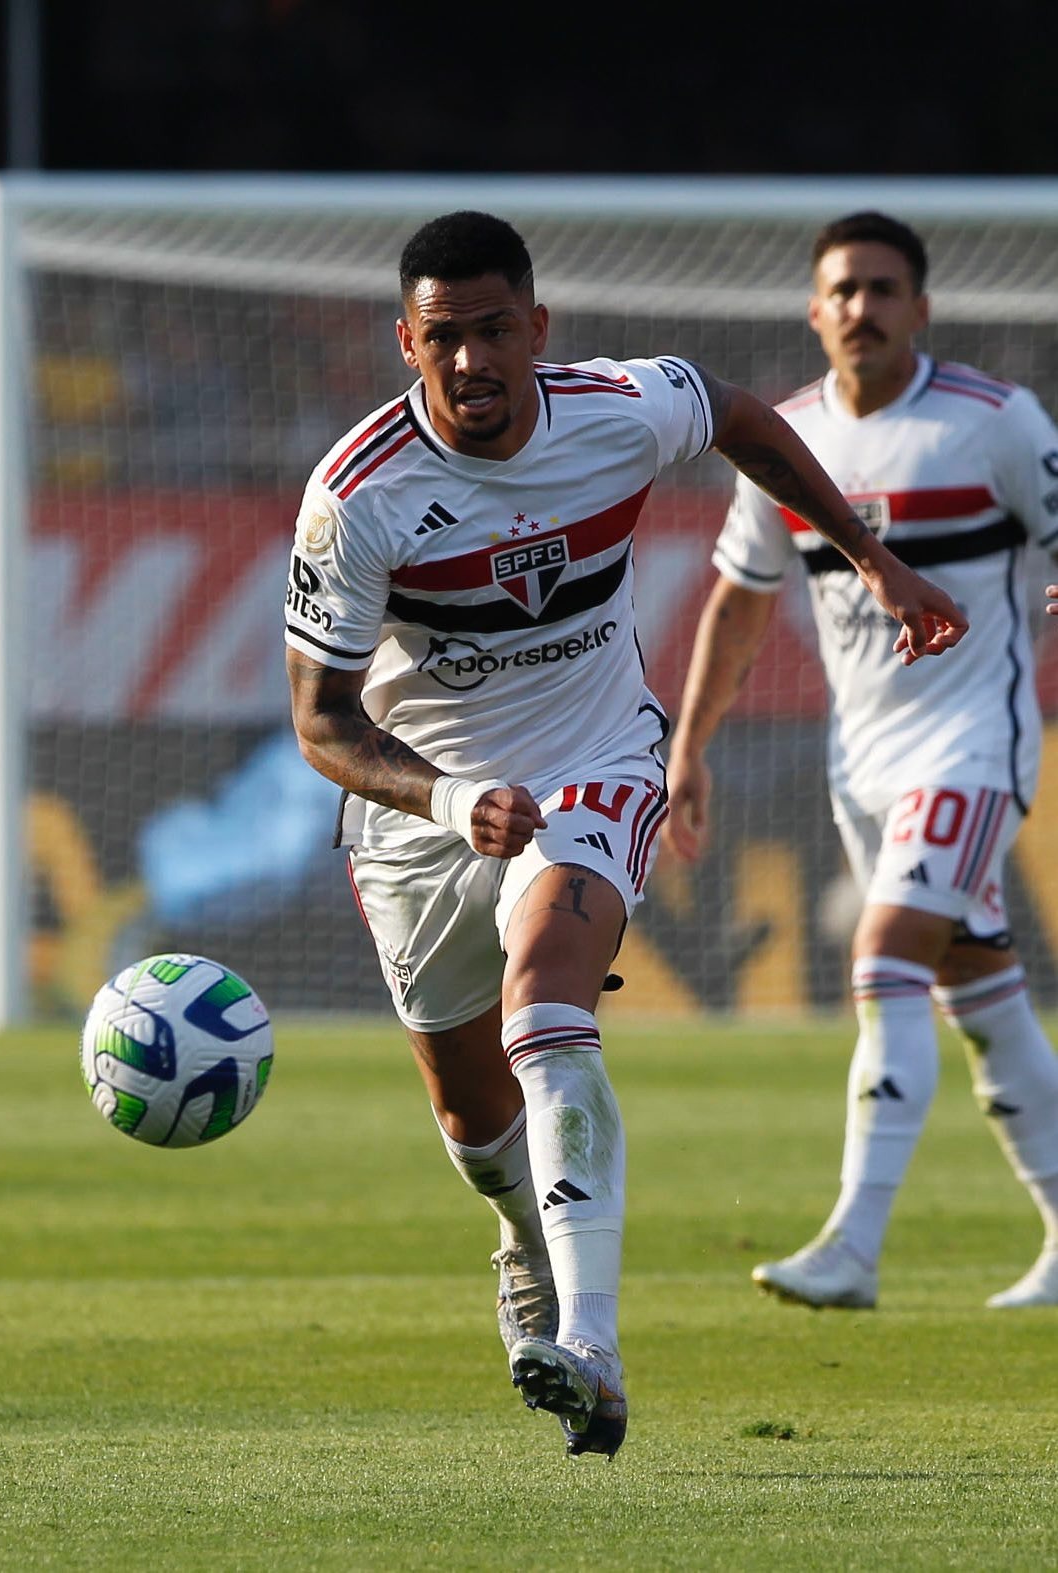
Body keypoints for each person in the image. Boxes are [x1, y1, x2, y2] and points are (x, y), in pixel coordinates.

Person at [284, 210, 966, 1457]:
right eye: (446, 338)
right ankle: (521, 1233)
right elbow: (320, 722)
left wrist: (868, 558)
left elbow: (749, 421)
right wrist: (445, 800)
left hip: (593, 761)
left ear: (536, 328)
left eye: (497, 330)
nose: (474, 360)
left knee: (547, 999)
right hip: (423, 815)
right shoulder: (357, 496)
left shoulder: (622, 405)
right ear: (407, 343)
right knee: (473, 1124)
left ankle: (592, 1348)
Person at [665, 209, 1058, 1312]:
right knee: (981, 998)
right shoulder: (785, 443)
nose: (862, 309)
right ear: (813, 310)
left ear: (920, 309)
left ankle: (852, 1245)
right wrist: (686, 747)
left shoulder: (994, 421)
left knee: (882, 960)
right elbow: (737, 609)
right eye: (842, 290)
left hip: (973, 744)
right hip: (862, 766)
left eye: (884, 290)